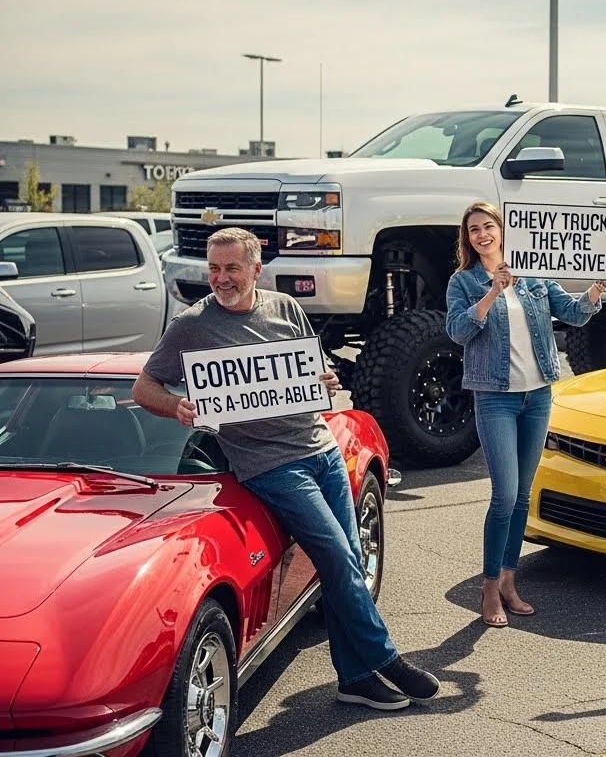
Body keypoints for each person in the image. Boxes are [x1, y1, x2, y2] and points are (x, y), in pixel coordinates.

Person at [133, 227, 439, 711]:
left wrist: (325, 379)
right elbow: (143, 388)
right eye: (214, 268)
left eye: (232, 268)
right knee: (337, 557)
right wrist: (177, 407)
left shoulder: (286, 308)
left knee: (349, 561)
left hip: (320, 448)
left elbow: (310, 371)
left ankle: (355, 678)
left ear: (256, 269)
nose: (222, 278)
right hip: (270, 464)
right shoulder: (192, 326)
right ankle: (386, 659)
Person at [445, 201, 606, 628]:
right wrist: (492, 292)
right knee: (504, 495)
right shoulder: (464, 281)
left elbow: (574, 313)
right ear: (467, 239)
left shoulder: (536, 273)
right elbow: (457, 331)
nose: (482, 235)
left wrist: (599, 284)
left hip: (538, 394)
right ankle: (489, 588)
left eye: (488, 226)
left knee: (524, 496)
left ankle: (509, 580)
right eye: (474, 230)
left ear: (504, 230)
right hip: (495, 397)